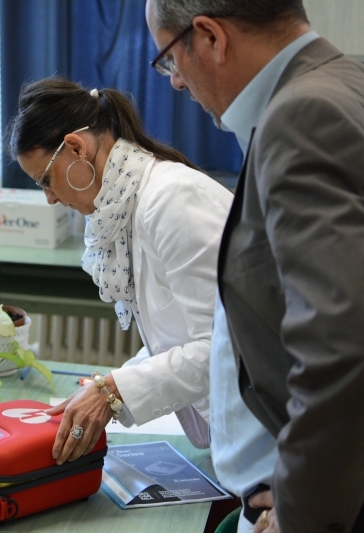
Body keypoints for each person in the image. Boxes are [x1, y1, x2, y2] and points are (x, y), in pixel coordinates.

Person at [146, 1, 364, 532]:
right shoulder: (344, 81)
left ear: (210, 37)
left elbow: (340, 342)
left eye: (171, 59)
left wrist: (301, 510)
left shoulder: (300, 116)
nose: (176, 82)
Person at [6, 77, 232, 464]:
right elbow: (174, 338)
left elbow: (224, 349)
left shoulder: (172, 199)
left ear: (76, 148)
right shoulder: (132, 205)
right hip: (233, 435)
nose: (50, 198)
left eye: (46, 180)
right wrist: (103, 389)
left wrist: (113, 391)